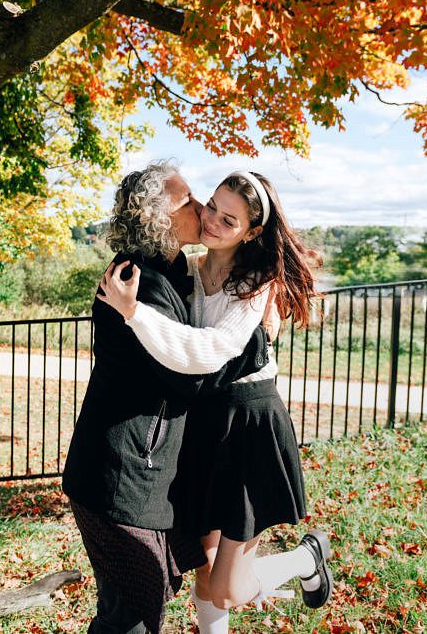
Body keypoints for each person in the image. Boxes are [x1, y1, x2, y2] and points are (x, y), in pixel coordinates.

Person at [97, 170, 334, 632]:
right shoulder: (188, 269)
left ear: (253, 232)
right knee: (204, 575)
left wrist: (133, 312)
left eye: (231, 220)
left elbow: (205, 353)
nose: (212, 222)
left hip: (247, 421)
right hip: (204, 423)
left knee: (226, 587)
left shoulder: (257, 282)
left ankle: (306, 557)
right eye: (211, 207)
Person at [61, 161, 274, 634]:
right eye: (189, 202)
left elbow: (224, 295)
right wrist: (255, 347)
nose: (202, 209)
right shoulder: (142, 282)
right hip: (119, 476)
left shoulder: (177, 268)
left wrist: (260, 313)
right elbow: (193, 380)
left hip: (144, 471)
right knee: (132, 616)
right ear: (158, 217)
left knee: (142, 600)